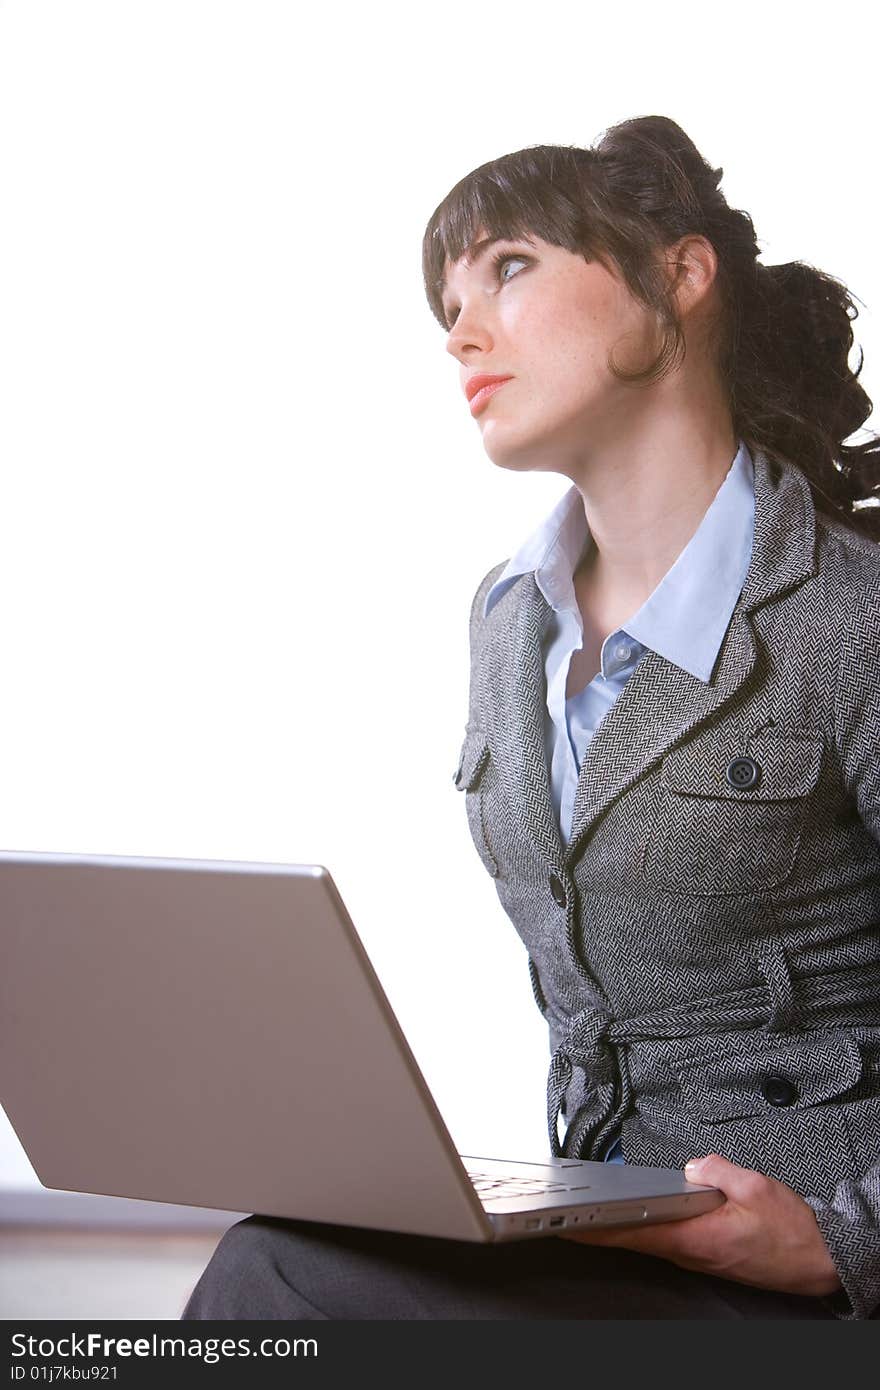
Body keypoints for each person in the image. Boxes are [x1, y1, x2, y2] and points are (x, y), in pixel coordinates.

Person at [182, 115, 880, 1320]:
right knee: (278, 1254)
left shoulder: (849, 617)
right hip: (620, 1222)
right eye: (446, 303)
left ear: (680, 274)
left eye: (508, 268)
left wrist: (843, 1242)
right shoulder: (510, 621)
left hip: (797, 1265)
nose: (461, 332)